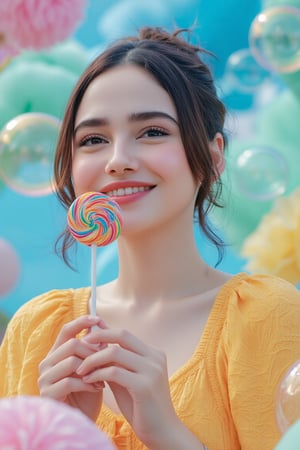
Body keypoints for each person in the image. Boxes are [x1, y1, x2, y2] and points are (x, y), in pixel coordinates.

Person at [0, 26, 300, 450]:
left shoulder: (267, 317)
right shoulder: (38, 330)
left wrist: (167, 434)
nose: (118, 160)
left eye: (152, 132)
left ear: (213, 158)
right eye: (94, 140)